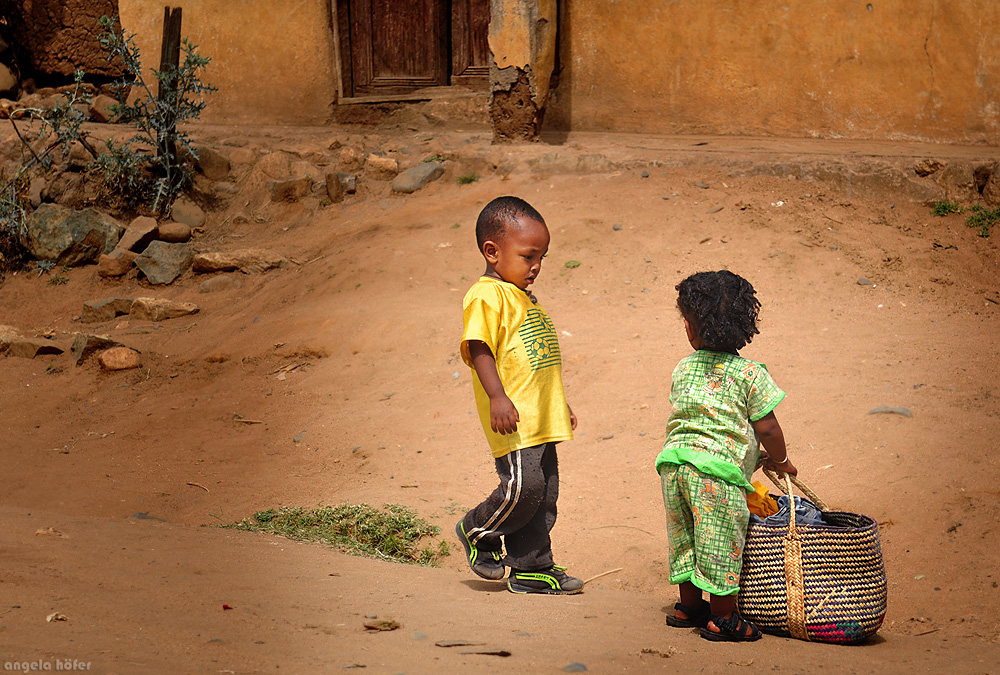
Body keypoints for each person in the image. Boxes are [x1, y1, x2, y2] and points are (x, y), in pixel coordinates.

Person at [656, 270, 797, 641]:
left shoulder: (683, 368)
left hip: (674, 466)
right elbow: (767, 428)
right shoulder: (750, 374)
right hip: (716, 477)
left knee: (684, 536)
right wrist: (780, 461)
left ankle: (688, 607)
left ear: (690, 327)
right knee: (719, 540)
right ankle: (723, 618)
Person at [454, 195, 582, 595]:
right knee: (522, 489)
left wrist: (559, 402)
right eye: (529, 256)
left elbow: (536, 360)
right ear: (492, 252)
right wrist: (497, 397)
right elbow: (479, 348)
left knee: (544, 496)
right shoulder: (486, 295)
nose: (537, 266)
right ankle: (477, 529)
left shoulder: (524, 299)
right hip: (514, 416)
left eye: (542, 256)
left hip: (541, 416)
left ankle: (531, 568)